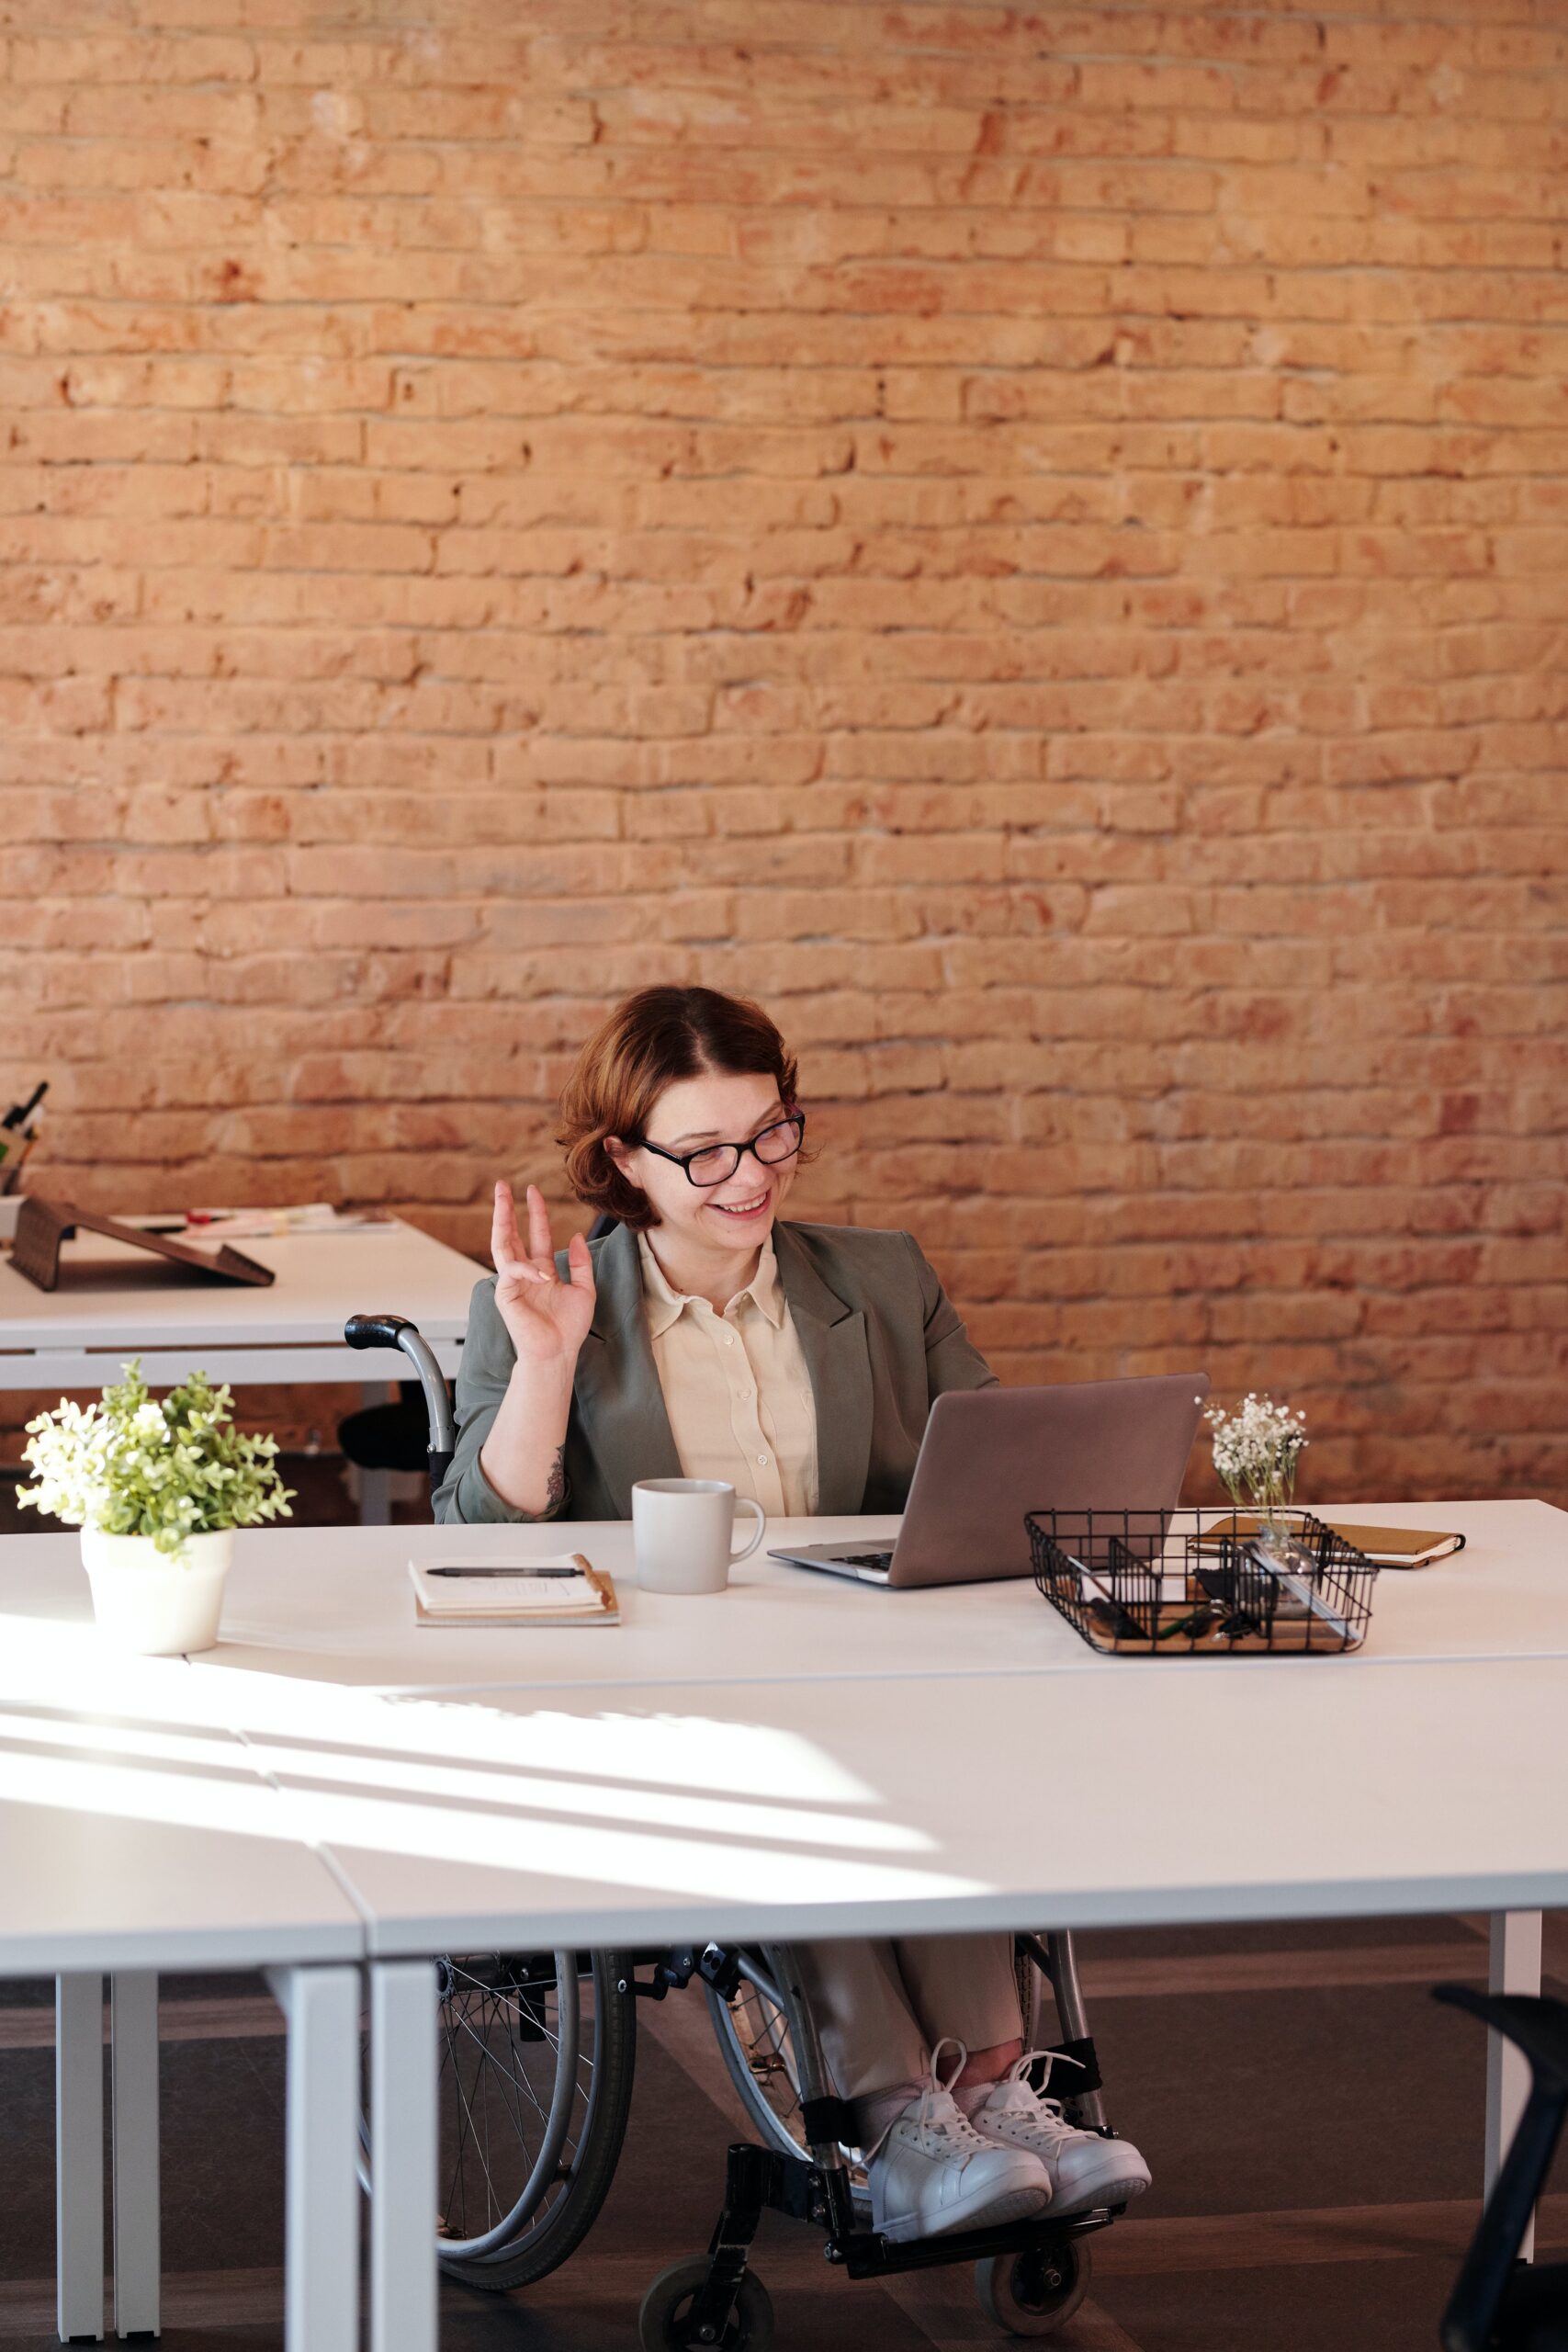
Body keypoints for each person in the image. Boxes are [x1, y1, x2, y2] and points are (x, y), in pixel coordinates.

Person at [436, 984, 1151, 2243]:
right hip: (670, 1701)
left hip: (872, 1670)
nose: (747, 1175)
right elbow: (483, 1546)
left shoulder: (878, 1281)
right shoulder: (553, 1301)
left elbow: (991, 1473)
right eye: (703, 1151)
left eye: (770, 1134)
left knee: (943, 1750)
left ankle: (994, 2091)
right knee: (798, 1775)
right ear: (624, 1159)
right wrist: (544, 1368)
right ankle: (896, 2116)